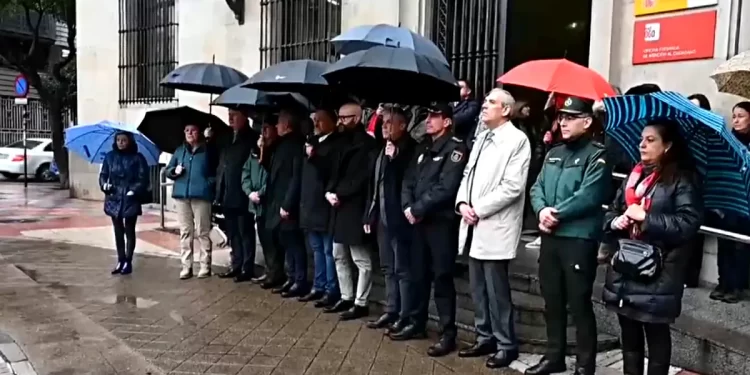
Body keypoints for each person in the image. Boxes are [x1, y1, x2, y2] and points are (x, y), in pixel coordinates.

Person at [602, 120, 702, 375]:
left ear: (667, 145)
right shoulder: (633, 177)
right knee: (629, 336)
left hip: (659, 272)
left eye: (650, 140)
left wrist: (646, 219)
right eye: (641, 139)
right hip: (626, 266)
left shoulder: (681, 179)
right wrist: (617, 220)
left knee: (656, 337)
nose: (642, 144)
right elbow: (611, 211)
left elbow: (688, 223)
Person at [526, 97, 611, 375]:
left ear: (587, 122)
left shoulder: (597, 154)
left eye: (571, 117)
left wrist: (555, 214)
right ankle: (555, 356)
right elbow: (536, 187)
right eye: (561, 117)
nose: (563, 122)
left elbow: (589, 196)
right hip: (551, 238)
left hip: (577, 238)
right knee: (552, 300)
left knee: (578, 303)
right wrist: (541, 211)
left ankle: (585, 365)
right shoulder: (554, 152)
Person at [455, 89, 531, 369]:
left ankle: (505, 343)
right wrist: (463, 202)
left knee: (496, 289)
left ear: (507, 110)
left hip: (494, 223)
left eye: (491, 103)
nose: (484, 106)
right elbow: (467, 174)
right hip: (473, 221)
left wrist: (480, 208)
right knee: (477, 288)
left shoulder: (517, 140)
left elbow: (512, 186)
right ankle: (483, 334)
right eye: (485, 101)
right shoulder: (482, 137)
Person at [400, 102, 468, 356]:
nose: (428, 120)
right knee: (418, 274)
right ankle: (417, 323)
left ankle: (447, 333)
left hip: (439, 224)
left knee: (441, 278)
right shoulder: (423, 148)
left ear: (447, 121)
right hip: (418, 223)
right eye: (428, 115)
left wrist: (417, 209)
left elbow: (446, 187)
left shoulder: (455, 149)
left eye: (435, 116)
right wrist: (408, 206)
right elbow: (408, 180)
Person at [363, 106, 418, 332]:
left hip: (399, 219)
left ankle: (405, 315)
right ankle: (391, 308)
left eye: (389, 123)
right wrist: (370, 213)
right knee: (387, 267)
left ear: (402, 126)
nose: (384, 126)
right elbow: (375, 185)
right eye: (382, 122)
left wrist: (394, 159)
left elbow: (403, 183)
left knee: (403, 269)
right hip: (382, 218)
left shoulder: (409, 150)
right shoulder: (381, 149)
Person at [325, 102, 378, 320]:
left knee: (360, 258)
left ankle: (360, 302)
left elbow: (364, 177)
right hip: (338, 204)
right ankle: (346, 296)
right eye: (339, 117)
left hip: (354, 205)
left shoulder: (367, 144)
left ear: (356, 118)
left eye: (345, 118)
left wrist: (341, 193)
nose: (340, 121)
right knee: (339, 254)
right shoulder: (340, 141)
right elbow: (331, 169)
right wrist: (329, 191)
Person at [299, 108, 341, 307]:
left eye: (320, 120)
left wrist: (314, 156)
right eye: (314, 120)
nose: (316, 124)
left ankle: (330, 289)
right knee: (316, 248)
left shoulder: (336, 144)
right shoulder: (311, 143)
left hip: (325, 205)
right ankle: (318, 285)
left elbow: (329, 171)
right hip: (310, 204)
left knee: (327, 250)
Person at [710, 101, 750, 303]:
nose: (735, 120)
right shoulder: (727, 141)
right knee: (724, 243)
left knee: (741, 246)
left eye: (741, 116)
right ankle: (723, 282)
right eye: (734, 116)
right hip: (727, 199)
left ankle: (736, 285)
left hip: (746, 202)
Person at [166, 124, 217, 280]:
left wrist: (207, 184)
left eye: (193, 130)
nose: (189, 133)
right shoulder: (180, 150)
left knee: (202, 231)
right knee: (186, 232)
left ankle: (205, 265)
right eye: (187, 130)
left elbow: (216, 173)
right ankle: (186, 266)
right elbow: (168, 169)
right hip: (182, 195)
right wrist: (174, 172)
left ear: (199, 132)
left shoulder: (208, 151)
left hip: (201, 196)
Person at [264, 110, 307, 298]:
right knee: (286, 241)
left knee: (294, 242)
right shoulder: (281, 145)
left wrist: (288, 204)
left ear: (287, 125)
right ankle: (291, 277)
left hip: (288, 203)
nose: (276, 127)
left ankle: (300, 279)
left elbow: (295, 177)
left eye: (279, 123)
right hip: (278, 201)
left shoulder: (295, 145)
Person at [215, 108, 258, 282]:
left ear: (244, 116)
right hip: (226, 193)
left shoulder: (251, 138)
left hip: (242, 193)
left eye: (235, 114)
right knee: (232, 232)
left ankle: (247, 267)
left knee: (245, 232)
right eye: (229, 114)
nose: (230, 117)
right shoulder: (225, 137)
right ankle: (236, 263)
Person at [99, 131, 149, 275]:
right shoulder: (110, 157)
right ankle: (120, 260)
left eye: (124, 140)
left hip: (129, 197)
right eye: (118, 140)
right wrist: (104, 185)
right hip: (114, 197)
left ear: (130, 141)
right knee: (118, 231)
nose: (121, 142)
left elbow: (143, 178)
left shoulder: (137, 158)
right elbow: (103, 175)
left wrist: (134, 190)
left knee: (129, 230)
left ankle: (128, 260)